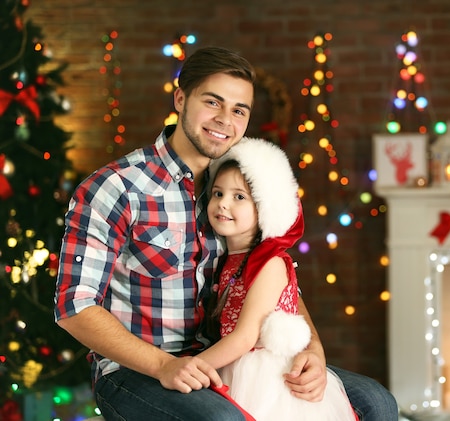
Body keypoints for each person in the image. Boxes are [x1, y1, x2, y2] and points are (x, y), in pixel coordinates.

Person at [54, 45, 398, 420]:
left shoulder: (240, 179)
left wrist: (313, 347)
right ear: (181, 98)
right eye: (212, 102)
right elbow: (75, 306)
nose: (224, 120)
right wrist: (163, 365)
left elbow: (273, 273)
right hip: (139, 370)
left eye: (239, 110)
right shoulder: (117, 187)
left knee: (375, 401)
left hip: (231, 356)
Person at [202, 137, 358, 420]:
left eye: (239, 197)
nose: (223, 204)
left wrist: (192, 366)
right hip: (234, 363)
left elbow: (244, 337)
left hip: (264, 374)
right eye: (217, 193)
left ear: (264, 207)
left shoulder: (270, 262)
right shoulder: (228, 258)